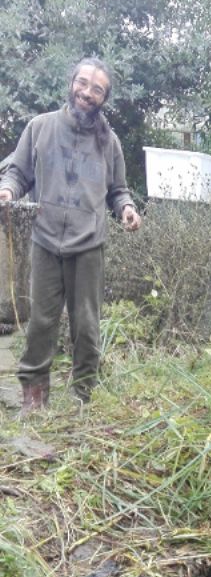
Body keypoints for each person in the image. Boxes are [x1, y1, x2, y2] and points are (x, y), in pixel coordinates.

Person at [0, 57, 141, 414]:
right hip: (45, 240)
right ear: (71, 83)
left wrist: (126, 209)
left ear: (104, 98)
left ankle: (83, 395)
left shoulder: (110, 143)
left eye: (97, 89)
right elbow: (17, 173)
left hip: (89, 245)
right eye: (83, 83)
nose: (87, 93)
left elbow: (118, 190)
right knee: (42, 320)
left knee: (86, 323)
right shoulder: (40, 128)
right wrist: (8, 191)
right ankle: (34, 394)